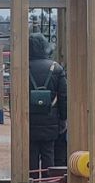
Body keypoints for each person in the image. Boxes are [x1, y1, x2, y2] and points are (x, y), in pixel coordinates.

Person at [28, 32, 67, 175]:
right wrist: (63, 118)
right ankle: (48, 182)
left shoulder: (22, 67)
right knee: (48, 152)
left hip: (29, 119)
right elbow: (63, 97)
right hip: (51, 118)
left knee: (31, 154)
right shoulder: (56, 68)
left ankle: (31, 181)